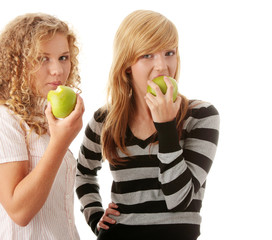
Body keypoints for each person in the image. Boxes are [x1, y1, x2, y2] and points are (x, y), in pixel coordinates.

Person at [75, 10, 220, 240]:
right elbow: (83, 173)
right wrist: (95, 217)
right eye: (148, 55)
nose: (162, 66)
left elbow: (179, 200)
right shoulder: (105, 120)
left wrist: (166, 127)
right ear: (127, 66)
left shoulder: (200, 116)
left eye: (169, 53)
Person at [0, 13, 84, 240]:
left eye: (63, 57)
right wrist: (60, 143)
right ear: (17, 63)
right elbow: (19, 211)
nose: (58, 70)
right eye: (43, 58)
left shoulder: (46, 119)